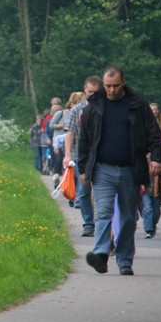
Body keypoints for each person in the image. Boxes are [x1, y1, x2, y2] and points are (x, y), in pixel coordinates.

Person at [76, 66, 161, 276]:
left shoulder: (137, 105)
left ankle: (124, 260)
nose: (112, 90)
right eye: (108, 86)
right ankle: (101, 253)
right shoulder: (93, 107)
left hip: (130, 169)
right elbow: (84, 140)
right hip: (102, 169)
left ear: (123, 83)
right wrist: (83, 168)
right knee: (103, 213)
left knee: (127, 217)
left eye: (116, 85)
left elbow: (154, 133)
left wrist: (157, 158)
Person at [63, 76, 101, 236]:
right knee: (84, 191)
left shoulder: (104, 109)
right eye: (90, 91)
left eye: (95, 92)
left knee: (101, 191)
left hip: (101, 156)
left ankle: (102, 222)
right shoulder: (76, 110)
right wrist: (67, 155)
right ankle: (88, 223)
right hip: (82, 156)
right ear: (85, 90)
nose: (92, 94)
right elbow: (70, 133)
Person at [141, 102, 161, 239]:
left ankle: (153, 225)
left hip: (157, 188)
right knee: (147, 209)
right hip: (145, 187)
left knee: (156, 211)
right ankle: (148, 229)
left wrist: (160, 169)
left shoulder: (157, 160)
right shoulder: (142, 158)